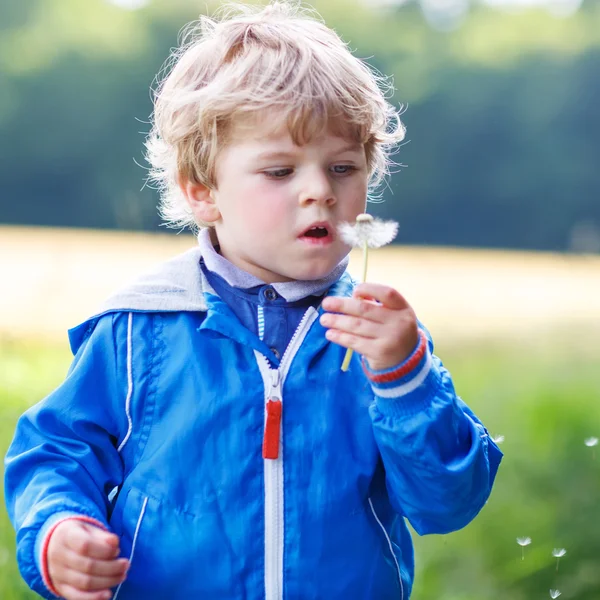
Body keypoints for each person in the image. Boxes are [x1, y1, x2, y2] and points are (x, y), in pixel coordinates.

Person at [4, 2, 502, 599]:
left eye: (342, 166)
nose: (319, 191)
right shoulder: (139, 330)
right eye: (280, 171)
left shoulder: (379, 341)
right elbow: (55, 451)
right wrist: (57, 531)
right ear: (203, 192)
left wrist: (407, 380)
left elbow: (447, 503)